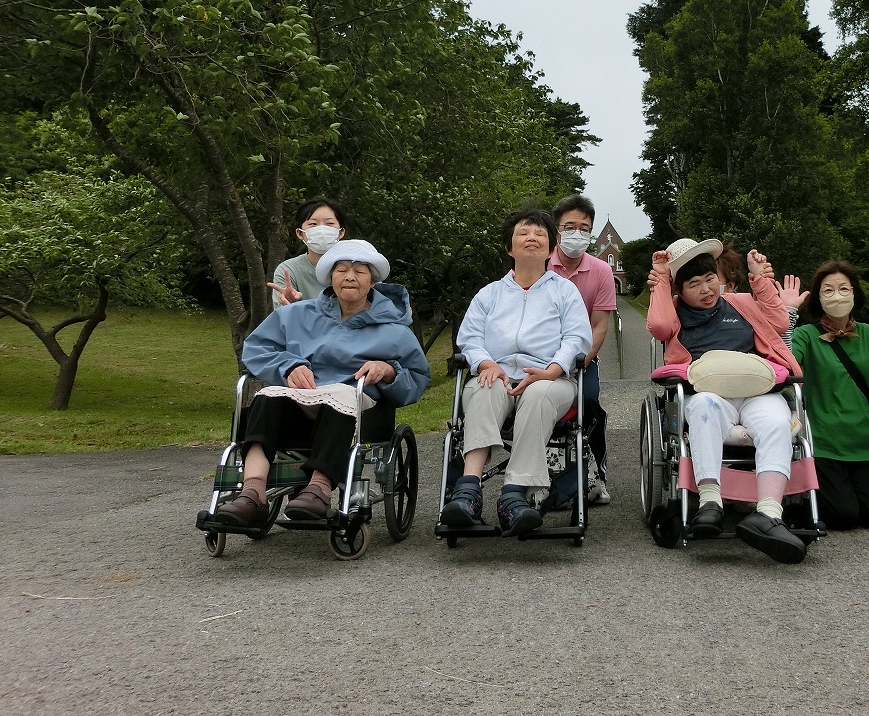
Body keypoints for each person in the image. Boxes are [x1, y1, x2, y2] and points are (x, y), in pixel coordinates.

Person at [214, 239, 431, 526]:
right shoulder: (296, 314)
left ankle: (318, 490)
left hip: (354, 403)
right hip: (299, 398)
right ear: (331, 277)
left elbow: (417, 377)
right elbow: (256, 348)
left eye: (359, 271)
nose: (349, 276)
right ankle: (252, 493)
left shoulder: (395, 331)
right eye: (341, 270)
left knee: (340, 398)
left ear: (373, 281)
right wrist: (288, 365)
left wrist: (389, 370)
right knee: (267, 396)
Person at [647, 237, 808, 564]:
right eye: (694, 284)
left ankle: (768, 514)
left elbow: (779, 322)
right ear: (680, 289)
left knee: (779, 421)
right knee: (704, 407)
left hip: (757, 390)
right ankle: (710, 502)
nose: (706, 289)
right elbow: (659, 325)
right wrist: (662, 280)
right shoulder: (676, 313)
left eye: (710, 280)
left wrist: (760, 280)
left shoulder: (741, 302)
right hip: (708, 395)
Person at [439, 208, 592, 536]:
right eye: (523, 232)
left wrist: (552, 370)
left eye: (540, 234)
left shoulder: (564, 292)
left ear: (551, 248)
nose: (532, 238)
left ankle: (513, 497)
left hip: (550, 379)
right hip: (499, 374)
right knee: (485, 386)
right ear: (509, 247)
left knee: (538, 392)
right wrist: (485, 362)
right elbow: (469, 338)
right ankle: (468, 491)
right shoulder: (489, 294)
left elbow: (578, 338)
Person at [790, 260, 869, 531]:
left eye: (843, 288)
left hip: (867, 443)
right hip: (825, 443)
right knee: (843, 517)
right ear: (817, 298)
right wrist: (789, 313)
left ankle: (845, 493)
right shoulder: (806, 335)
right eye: (827, 290)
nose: (837, 295)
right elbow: (784, 363)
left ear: (855, 293)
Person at [549, 194, 618, 505]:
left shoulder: (602, 271)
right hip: (538, 358)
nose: (576, 234)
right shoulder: (539, 264)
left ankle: (598, 475)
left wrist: (576, 362)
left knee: (588, 401)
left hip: (582, 358)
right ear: (556, 229)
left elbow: (599, 325)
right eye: (569, 227)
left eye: (584, 228)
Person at [268, 198, 346, 308]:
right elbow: (283, 320)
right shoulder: (288, 270)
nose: (322, 230)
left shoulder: (359, 267)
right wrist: (290, 306)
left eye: (329, 224)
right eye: (313, 224)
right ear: (300, 233)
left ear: (341, 232)